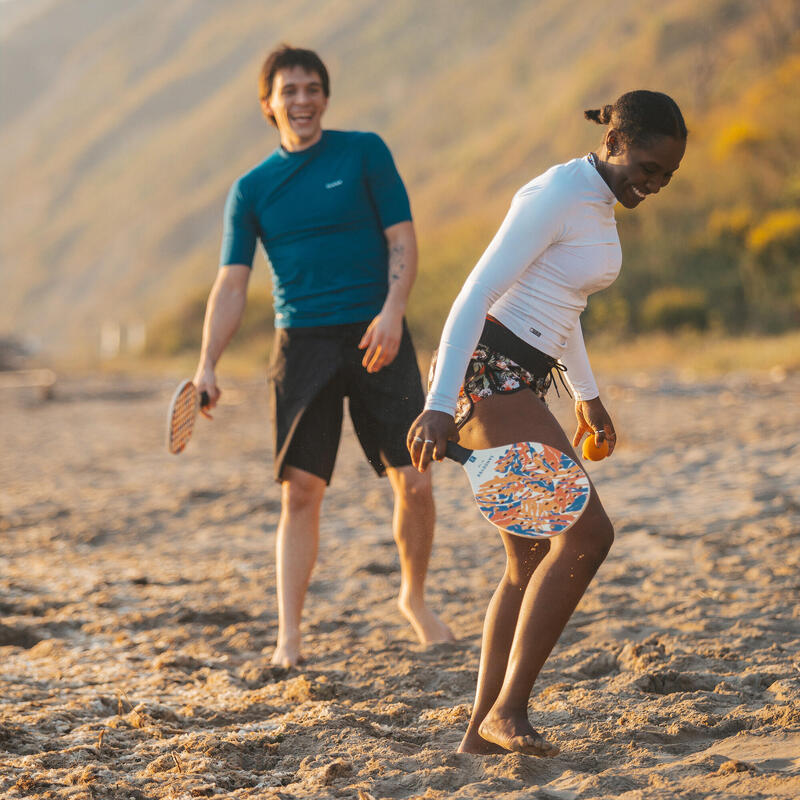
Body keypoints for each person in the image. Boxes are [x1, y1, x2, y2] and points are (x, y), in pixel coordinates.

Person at [408, 91, 687, 755]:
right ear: (615, 143)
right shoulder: (559, 194)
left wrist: (586, 396)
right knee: (587, 534)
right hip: (486, 371)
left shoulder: (596, 201)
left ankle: (479, 735)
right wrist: (441, 402)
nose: (651, 184)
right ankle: (508, 712)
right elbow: (474, 294)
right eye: (646, 167)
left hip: (519, 376)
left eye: (666, 176)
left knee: (531, 555)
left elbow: (565, 300)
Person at [193, 44, 453, 669]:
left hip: (377, 332)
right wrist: (207, 364)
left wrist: (392, 312)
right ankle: (289, 637)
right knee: (301, 492)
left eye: (313, 88)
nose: (302, 100)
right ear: (269, 105)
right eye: (290, 91)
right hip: (302, 344)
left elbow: (402, 240)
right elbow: (232, 284)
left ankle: (413, 598)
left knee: (415, 480)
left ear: (325, 97)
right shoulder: (251, 189)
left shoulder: (364, 151)